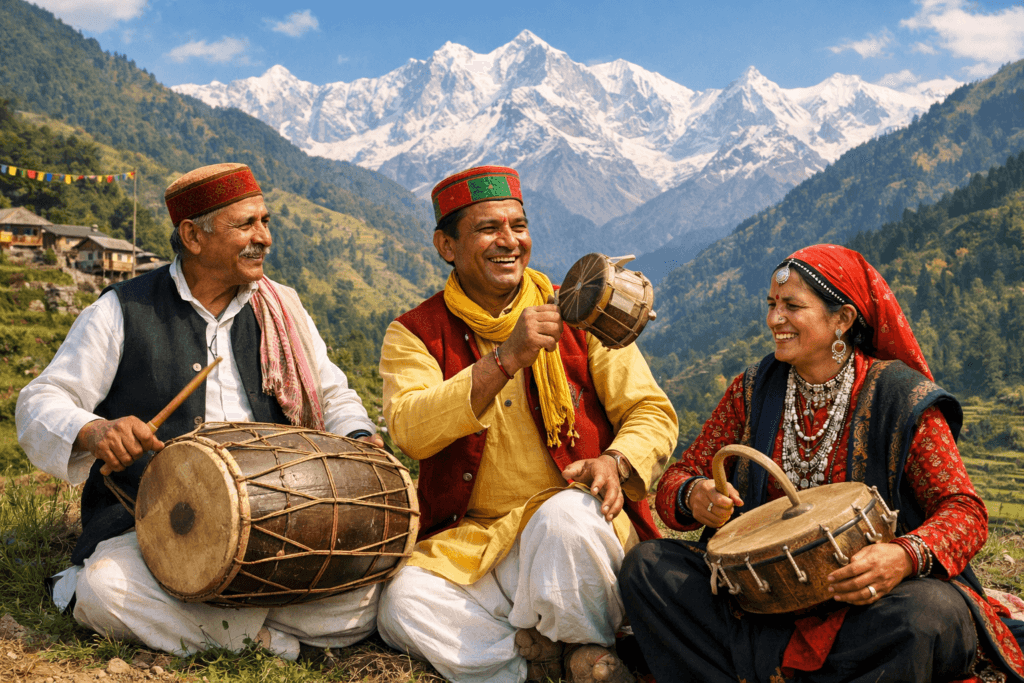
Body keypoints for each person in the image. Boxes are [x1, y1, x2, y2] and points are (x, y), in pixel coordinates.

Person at [16, 163, 385, 661]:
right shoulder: (122, 310)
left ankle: (223, 627)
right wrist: (95, 430)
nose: (264, 238)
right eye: (246, 225)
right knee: (105, 591)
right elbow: (40, 401)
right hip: (157, 528)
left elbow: (332, 394)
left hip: (277, 523)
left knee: (372, 599)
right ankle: (274, 642)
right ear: (192, 235)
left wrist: (360, 439)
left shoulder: (283, 307)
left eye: (265, 221)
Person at [619, 243, 1024, 683]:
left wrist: (902, 557)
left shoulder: (899, 398)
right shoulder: (752, 390)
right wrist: (694, 494)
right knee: (648, 567)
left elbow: (966, 511)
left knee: (930, 615)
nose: (775, 319)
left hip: (868, 607)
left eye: (792, 306)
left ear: (842, 319)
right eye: (772, 305)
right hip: (761, 602)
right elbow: (679, 477)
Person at [375, 165, 678, 683]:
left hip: (574, 526)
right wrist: (505, 359)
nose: (509, 242)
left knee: (567, 520)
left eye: (519, 226)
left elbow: (650, 411)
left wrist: (615, 459)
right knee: (402, 603)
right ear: (446, 246)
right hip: (475, 540)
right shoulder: (414, 334)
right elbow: (408, 428)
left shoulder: (582, 309)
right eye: (488, 229)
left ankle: (584, 645)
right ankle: (540, 665)